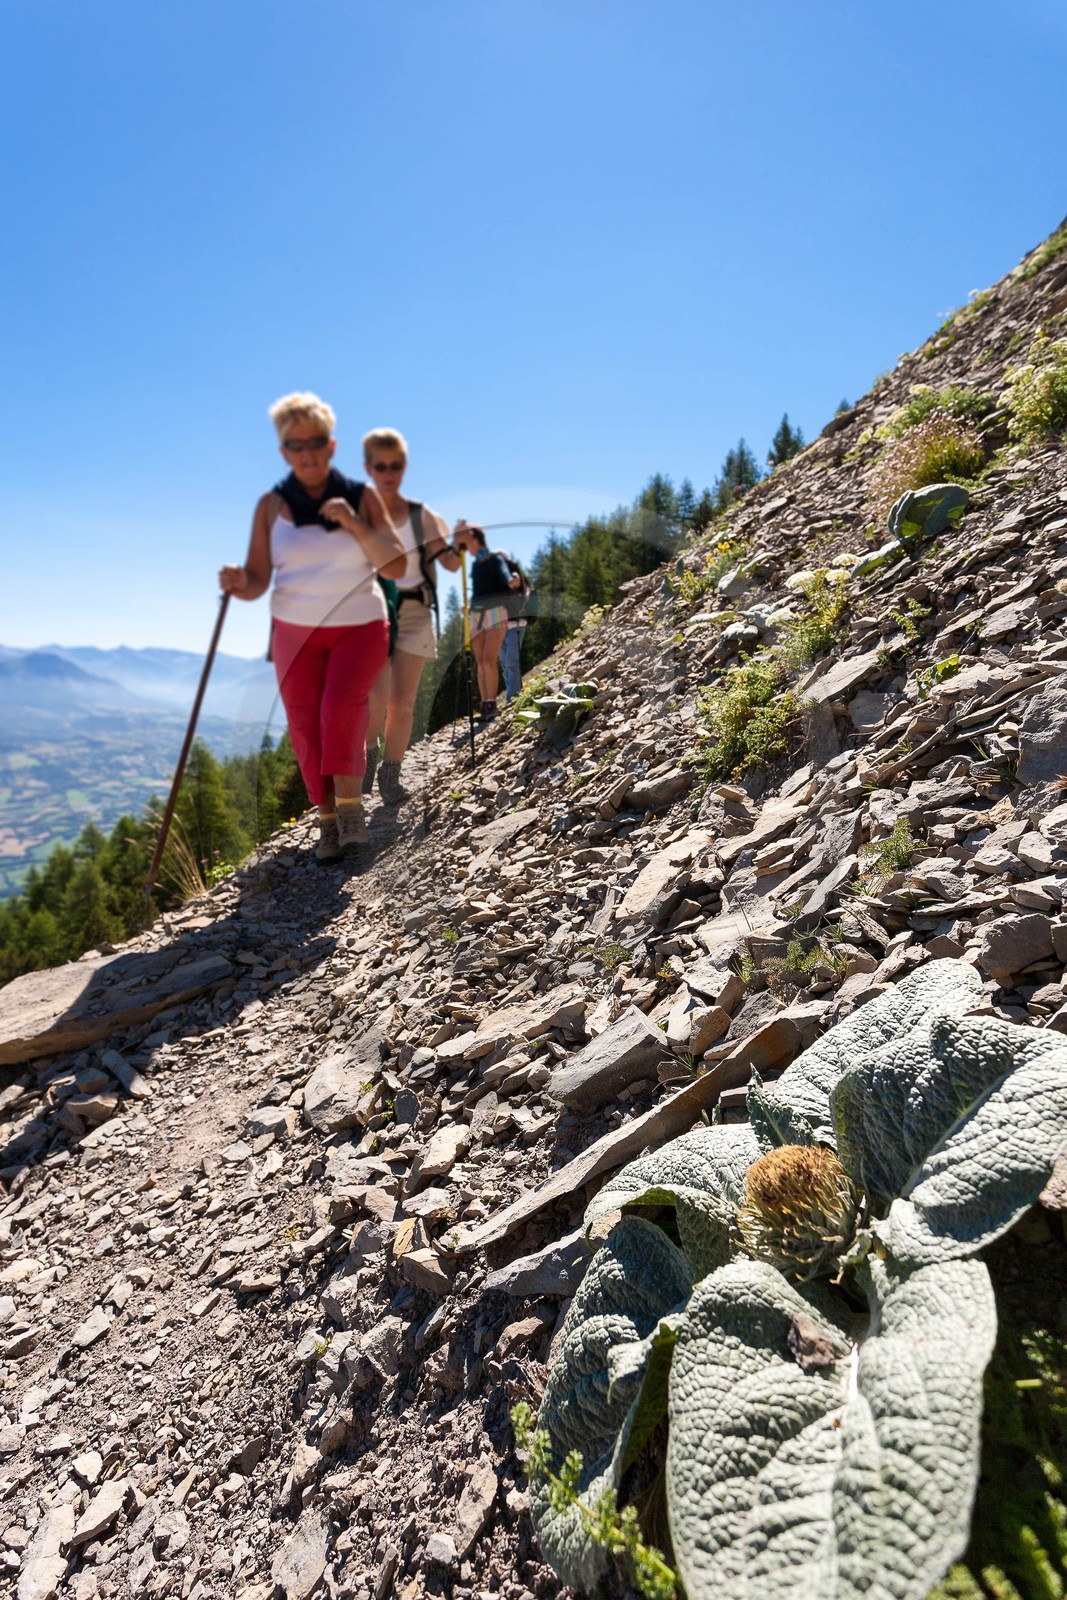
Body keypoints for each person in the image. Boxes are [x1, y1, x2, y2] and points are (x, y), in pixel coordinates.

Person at [218, 392, 406, 862]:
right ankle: (325, 820)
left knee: (341, 706)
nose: (307, 452)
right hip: (294, 630)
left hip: (359, 624)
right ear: (284, 452)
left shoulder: (361, 497)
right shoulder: (270, 506)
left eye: (316, 441)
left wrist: (354, 524)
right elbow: (259, 579)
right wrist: (240, 583)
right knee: (304, 725)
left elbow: (398, 566)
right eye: (295, 444)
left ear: (332, 445)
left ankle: (350, 814)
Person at [361, 428, 460, 803]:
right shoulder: (361, 515)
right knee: (374, 696)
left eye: (396, 465)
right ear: (369, 467)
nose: (389, 473)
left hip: (416, 609)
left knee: (402, 702)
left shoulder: (424, 517)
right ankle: (369, 754)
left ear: (404, 467)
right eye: (381, 466)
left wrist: (459, 543)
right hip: (373, 610)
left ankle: (390, 775)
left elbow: (449, 564)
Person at [453, 523, 520, 719]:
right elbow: (479, 591)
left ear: (474, 538)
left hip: (496, 612)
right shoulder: (475, 564)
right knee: (480, 661)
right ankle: (485, 703)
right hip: (477, 613)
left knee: (489, 660)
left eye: (464, 536)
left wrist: (512, 581)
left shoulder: (494, 558)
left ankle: (491, 704)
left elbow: (505, 577)